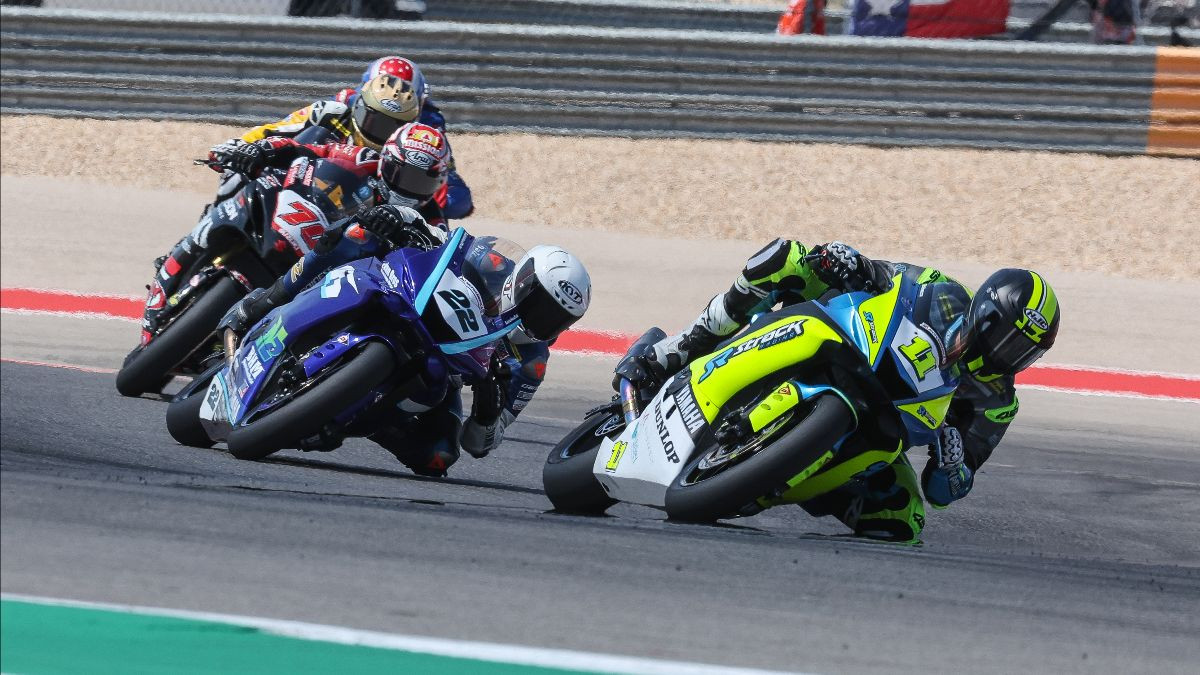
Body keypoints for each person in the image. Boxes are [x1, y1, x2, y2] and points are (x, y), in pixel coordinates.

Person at [615, 240, 1060, 542]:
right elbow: (888, 277)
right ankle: (679, 348)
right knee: (787, 257)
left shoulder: (998, 402)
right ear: (983, 312)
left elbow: (949, 491)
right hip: (853, 340)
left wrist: (955, 459)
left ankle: (786, 476)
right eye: (1005, 336)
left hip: (890, 420)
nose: (1009, 354)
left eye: (1024, 351)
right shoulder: (945, 294)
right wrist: (852, 261)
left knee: (905, 518)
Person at [217, 197, 591, 478]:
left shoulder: (532, 361)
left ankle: (349, 417)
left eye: (555, 319)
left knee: (439, 457)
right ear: (523, 280)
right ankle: (270, 300)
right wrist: (397, 216)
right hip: (408, 299)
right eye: (540, 304)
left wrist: (490, 405)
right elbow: (443, 239)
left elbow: (481, 443)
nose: (542, 321)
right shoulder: (493, 262)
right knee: (356, 234)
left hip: (440, 373)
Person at [147, 123, 450, 342]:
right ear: (386, 160)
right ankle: (172, 270)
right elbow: (309, 149)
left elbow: (435, 258)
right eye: (403, 174)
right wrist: (262, 150)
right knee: (247, 190)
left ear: (436, 185)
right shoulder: (361, 159)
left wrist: (410, 235)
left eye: (420, 182)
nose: (408, 187)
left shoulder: (433, 219)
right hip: (308, 231)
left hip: (341, 277)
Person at [210, 56, 474, 219]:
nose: (382, 132)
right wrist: (243, 146)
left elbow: (455, 196)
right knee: (239, 169)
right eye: (376, 119)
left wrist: (427, 195)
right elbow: (283, 126)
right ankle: (209, 223)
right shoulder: (336, 107)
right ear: (363, 96)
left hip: (366, 214)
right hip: (306, 181)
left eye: (395, 125)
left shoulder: (424, 138)